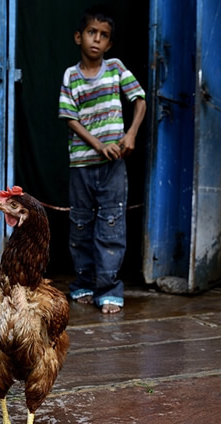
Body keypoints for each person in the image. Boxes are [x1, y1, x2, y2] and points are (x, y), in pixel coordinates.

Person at [58, 6, 146, 314]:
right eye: (92, 33)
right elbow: (70, 118)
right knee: (81, 224)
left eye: (104, 36)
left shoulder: (116, 68)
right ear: (78, 37)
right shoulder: (71, 76)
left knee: (111, 224)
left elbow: (140, 100)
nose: (97, 40)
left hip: (113, 167)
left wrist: (131, 135)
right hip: (82, 166)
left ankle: (108, 289)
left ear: (109, 44)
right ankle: (83, 283)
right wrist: (98, 145)